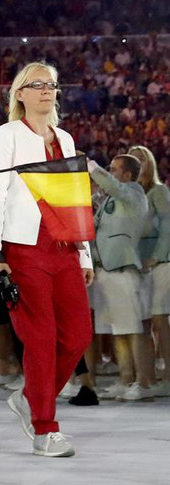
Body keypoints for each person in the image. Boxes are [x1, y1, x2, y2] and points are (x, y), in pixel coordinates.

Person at [0, 62, 95, 456]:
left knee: (78, 336)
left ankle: (31, 395)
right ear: (20, 94)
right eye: (37, 85)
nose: (46, 90)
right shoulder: (7, 135)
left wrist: (85, 255)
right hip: (24, 250)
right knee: (42, 339)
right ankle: (45, 427)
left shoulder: (64, 138)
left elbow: (74, 201)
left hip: (64, 249)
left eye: (51, 85)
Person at [86, 153, 153, 400]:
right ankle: (125, 380)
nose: (109, 172)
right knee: (117, 330)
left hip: (123, 270)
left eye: (114, 169)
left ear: (127, 175)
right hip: (106, 271)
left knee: (133, 330)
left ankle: (143, 383)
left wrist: (91, 167)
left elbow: (114, 187)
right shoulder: (110, 200)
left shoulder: (133, 194)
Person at [128, 145, 170, 396]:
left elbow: (167, 227)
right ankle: (148, 378)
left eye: (142, 158)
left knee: (159, 321)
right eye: (134, 159)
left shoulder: (159, 191)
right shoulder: (130, 196)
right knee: (142, 323)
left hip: (159, 263)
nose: (139, 162)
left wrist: (155, 258)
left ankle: (168, 375)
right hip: (136, 265)